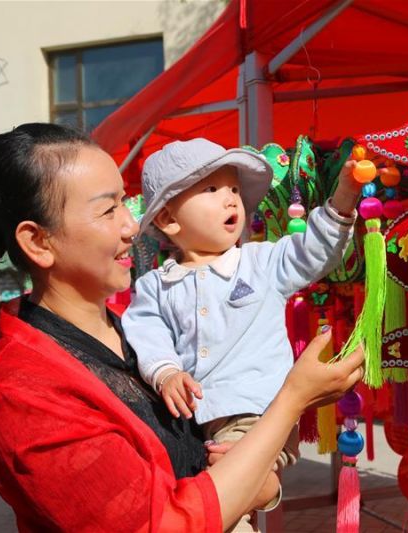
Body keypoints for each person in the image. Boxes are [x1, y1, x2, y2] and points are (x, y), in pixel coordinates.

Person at [0, 123, 364, 532]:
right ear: (39, 242)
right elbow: (157, 523)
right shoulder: (22, 392)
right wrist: (291, 402)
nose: (132, 227)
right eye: (108, 209)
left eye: (123, 204)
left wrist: (255, 473)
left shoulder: (122, 334)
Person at [122, 138, 361, 504]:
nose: (231, 198)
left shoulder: (260, 263)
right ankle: (261, 487)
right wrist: (166, 372)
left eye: (234, 188)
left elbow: (313, 251)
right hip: (192, 419)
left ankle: (261, 482)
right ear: (168, 219)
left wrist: (343, 199)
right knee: (198, 498)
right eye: (212, 189)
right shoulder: (155, 285)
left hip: (257, 411)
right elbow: (146, 333)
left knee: (218, 495)